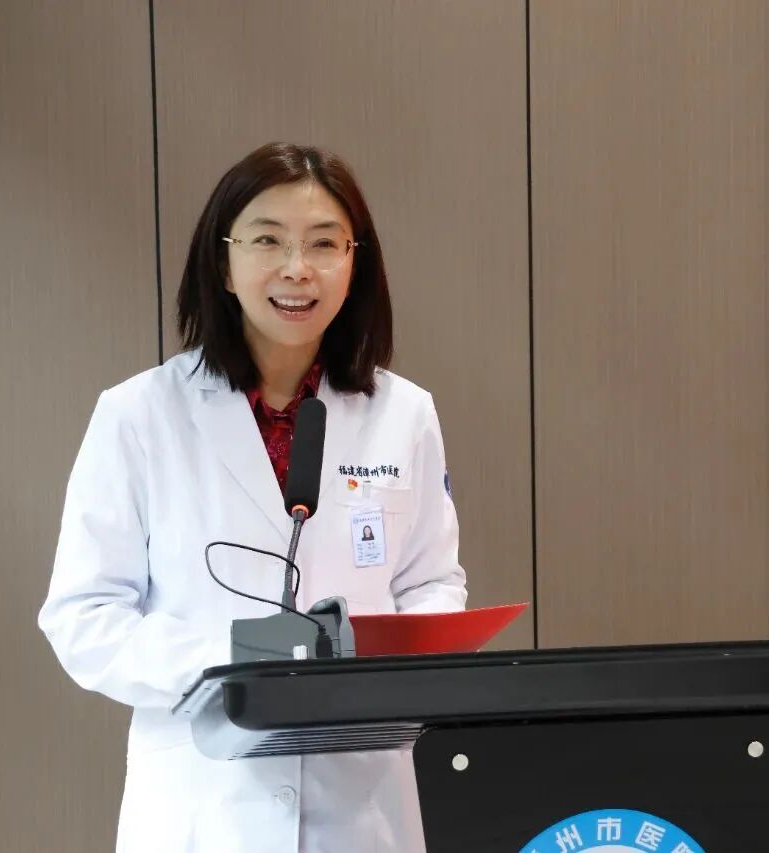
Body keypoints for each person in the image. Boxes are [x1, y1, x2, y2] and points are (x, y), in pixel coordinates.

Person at [38, 142, 467, 852]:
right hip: (204, 802)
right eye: (268, 240)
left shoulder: (405, 413)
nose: (297, 268)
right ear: (223, 263)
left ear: (354, 263)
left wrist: (384, 666)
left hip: (360, 801)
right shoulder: (139, 415)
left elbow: (431, 584)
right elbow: (83, 616)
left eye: (324, 243)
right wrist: (232, 661)